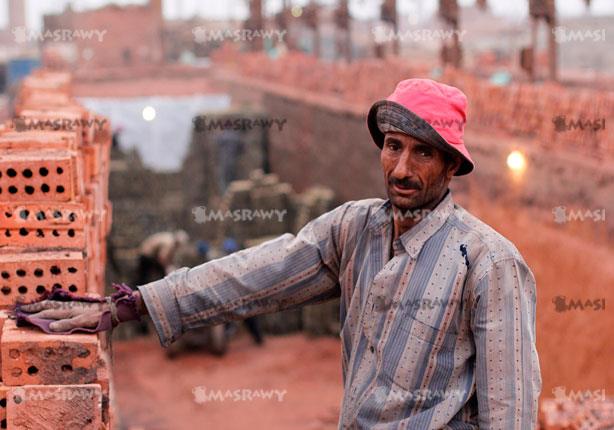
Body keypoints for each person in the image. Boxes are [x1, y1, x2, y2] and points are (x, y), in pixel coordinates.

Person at [19, 79, 541, 428]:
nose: (402, 168)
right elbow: (253, 276)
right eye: (393, 146)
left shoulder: (489, 264)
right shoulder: (354, 230)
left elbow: (510, 412)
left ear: (451, 166)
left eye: (423, 152)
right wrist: (130, 305)